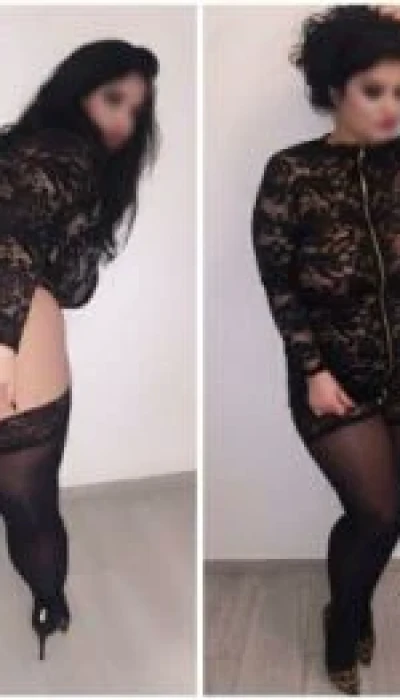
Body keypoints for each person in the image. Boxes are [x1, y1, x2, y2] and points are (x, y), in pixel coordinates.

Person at [251, 5, 400, 694]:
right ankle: (343, 623)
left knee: (388, 518)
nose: (391, 107)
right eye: (374, 90)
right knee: (377, 513)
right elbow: (279, 285)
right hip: (332, 379)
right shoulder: (292, 172)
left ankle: (353, 602)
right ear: (336, 89)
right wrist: (311, 369)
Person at [0, 38, 160, 661]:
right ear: (76, 91)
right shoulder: (65, 154)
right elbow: (15, 244)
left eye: (136, 111)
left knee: (25, 500)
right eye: (112, 99)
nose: (124, 122)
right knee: (29, 503)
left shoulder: (22, 149)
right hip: (17, 339)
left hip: (21, 339)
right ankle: (51, 602)